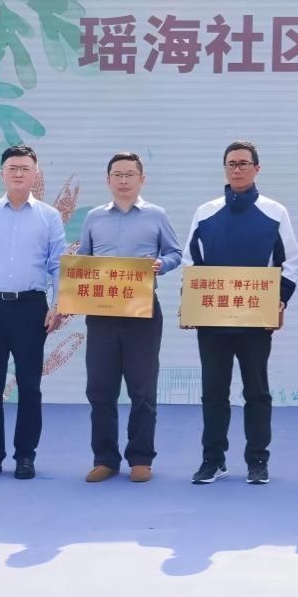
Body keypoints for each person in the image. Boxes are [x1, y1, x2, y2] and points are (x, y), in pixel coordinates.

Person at [184, 141, 298, 486]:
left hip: (255, 319)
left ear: (257, 169)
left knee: (257, 392)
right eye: (231, 163)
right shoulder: (205, 212)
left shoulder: (275, 212)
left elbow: (290, 262)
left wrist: (279, 300)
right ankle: (213, 460)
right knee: (213, 393)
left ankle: (257, 460)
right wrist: (191, 302)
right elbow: (192, 262)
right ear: (224, 169)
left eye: (244, 163)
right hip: (213, 318)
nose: (237, 169)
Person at [0, 144, 67, 481]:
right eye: (12, 168)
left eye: (25, 168)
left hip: (31, 308)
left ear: (36, 174)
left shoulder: (49, 216)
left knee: (30, 387)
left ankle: (25, 456)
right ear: (2, 173)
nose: (19, 173)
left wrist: (57, 305)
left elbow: (58, 267)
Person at [79, 152, 182, 484]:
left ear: (142, 179)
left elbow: (175, 253)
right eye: (117, 174)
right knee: (100, 389)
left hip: (143, 311)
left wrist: (161, 265)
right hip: (102, 313)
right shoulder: (94, 217)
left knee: (142, 388)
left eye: (130, 174)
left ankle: (141, 458)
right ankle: (105, 459)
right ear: (108, 179)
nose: (123, 180)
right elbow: (83, 259)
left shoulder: (156, 215)